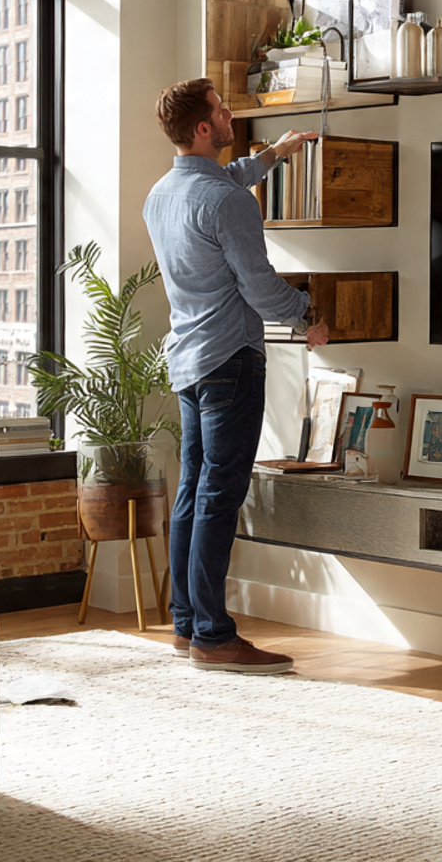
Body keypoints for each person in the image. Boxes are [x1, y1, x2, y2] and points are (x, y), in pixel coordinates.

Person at [143, 78, 329, 674]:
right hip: (232, 363)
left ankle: (186, 623)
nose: (230, 116)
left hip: (189, 363)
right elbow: (262, 291)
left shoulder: (163, 194)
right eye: (222, 111)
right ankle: (215, 636)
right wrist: (310, 317)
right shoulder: (228, 203)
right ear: (204, 128)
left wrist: (277, 154)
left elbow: (227, 179)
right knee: (219, 498)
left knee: (194, 491)